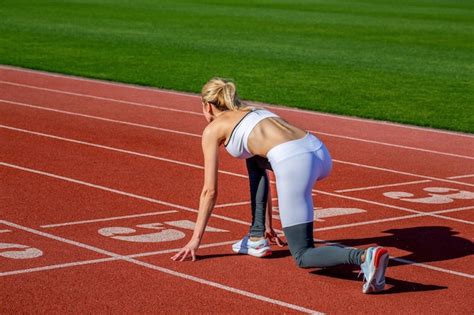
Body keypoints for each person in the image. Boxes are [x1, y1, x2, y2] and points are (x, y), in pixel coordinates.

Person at [171, 78, 389, 293]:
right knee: (254, 158)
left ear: (207, 106)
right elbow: (261, 163)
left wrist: (195, 240)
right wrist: (267, 224)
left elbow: (209, 190)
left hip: (295, 162)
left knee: (303, 255)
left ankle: (363, 256)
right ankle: (257, 235)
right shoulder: (254, 111)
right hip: (319, 152)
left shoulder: (213, 129)